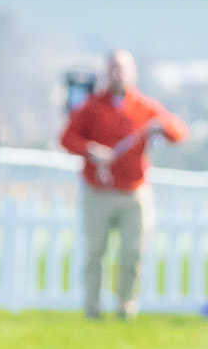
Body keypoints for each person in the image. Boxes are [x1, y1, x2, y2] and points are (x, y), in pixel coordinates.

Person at [59, 49, 188, 320]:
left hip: (134, 192)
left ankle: (125, 307)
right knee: (95, 252)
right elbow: (67, 138)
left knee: (133, 253)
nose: (118, 73)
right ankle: (92, 310)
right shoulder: (92, 106)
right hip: (98, 191)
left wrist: (160, 127)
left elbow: (179, 132)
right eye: (113, 68)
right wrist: (90, 149)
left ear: (133, 72)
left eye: (123, 68)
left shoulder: (144, 106)